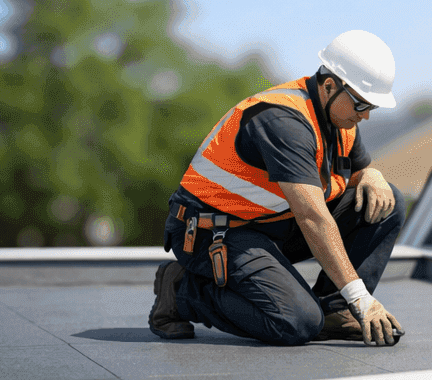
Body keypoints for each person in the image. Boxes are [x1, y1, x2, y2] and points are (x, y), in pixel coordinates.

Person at [149, 30, 406, 345]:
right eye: (360, 105)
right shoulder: (282, 120)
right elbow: (312, 217)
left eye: (372, 108)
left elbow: (353, 174)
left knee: (386, 201)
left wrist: (371, 175)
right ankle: (182, 291)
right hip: (211, 232)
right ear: (329, 86)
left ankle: (336, 311)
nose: (364, 115)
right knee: (296, 322)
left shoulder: (340, 121)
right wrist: (361, 297)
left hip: (267, 224)